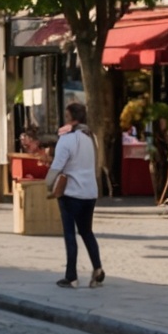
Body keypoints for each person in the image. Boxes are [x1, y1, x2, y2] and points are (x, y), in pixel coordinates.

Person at [48, 102, 105, 289]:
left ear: (70, 118)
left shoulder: (67, 140)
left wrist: (47, 184)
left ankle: (71, 275)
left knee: (69, 233)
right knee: (87, 231)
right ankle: (97, 269)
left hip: (71, 192)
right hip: (90, 192)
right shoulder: (91, 138)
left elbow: (57, 167)